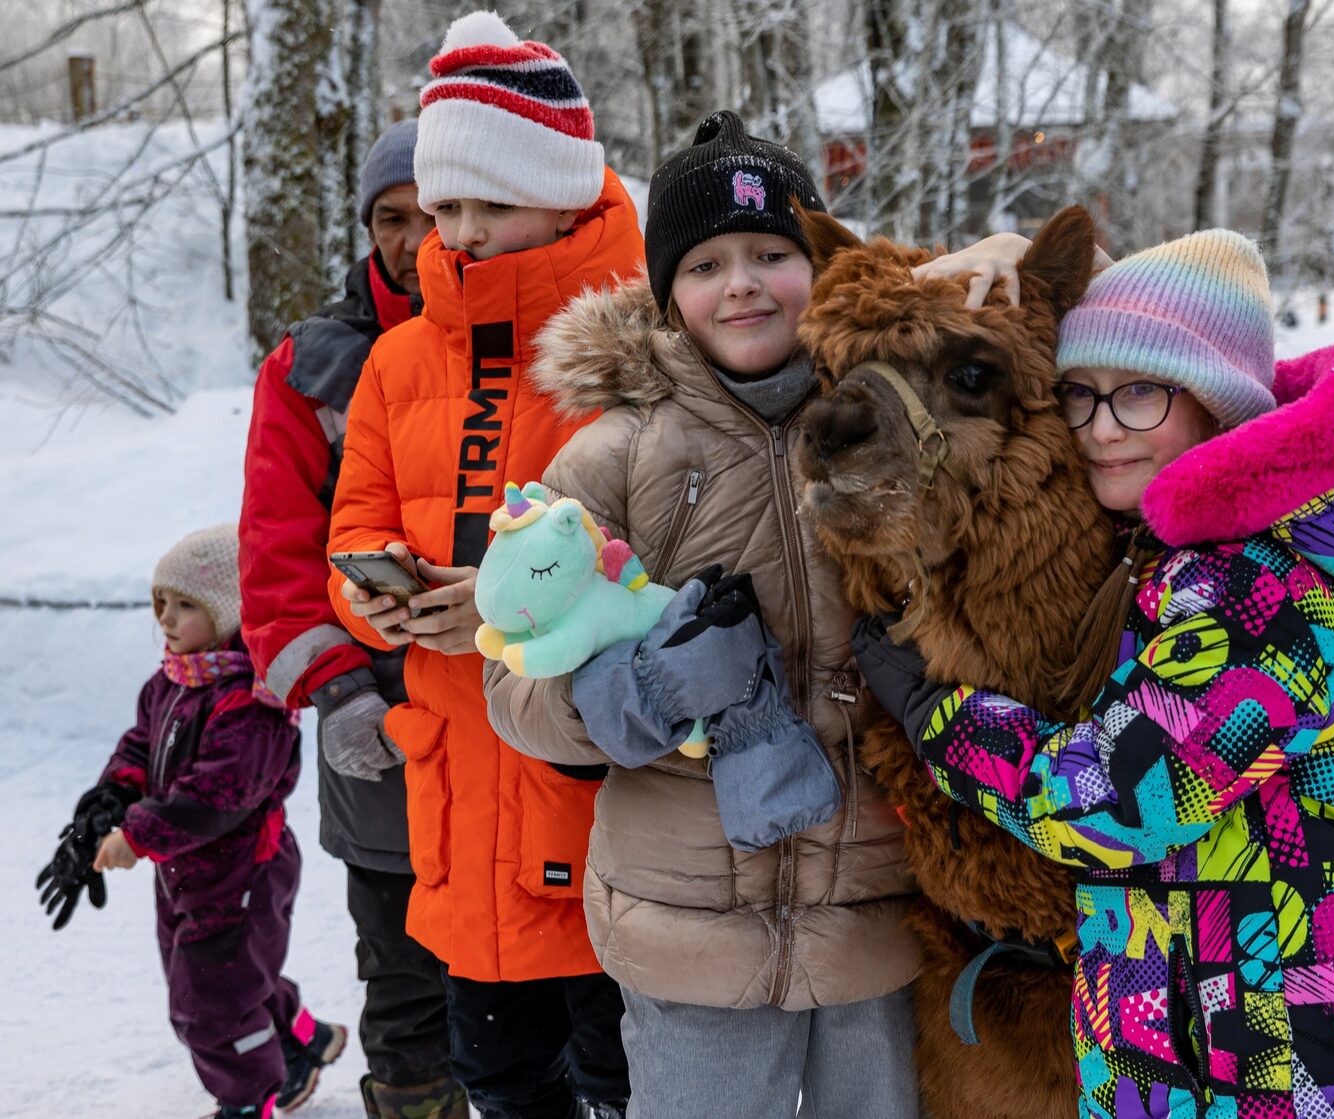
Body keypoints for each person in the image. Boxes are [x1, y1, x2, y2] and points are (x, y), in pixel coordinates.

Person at [853, 230, 1334, 1118]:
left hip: (1287, 1073)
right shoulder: (1182, 552)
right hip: (1190, 1054)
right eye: (1080, 396)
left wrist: (939, 714)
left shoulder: (1262, 589)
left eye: (1137, 395)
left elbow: (1114, 804)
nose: (1099, 430)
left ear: (1218, 401)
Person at [483, 110, 921, 1119]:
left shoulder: (890, 424)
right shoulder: (611, 457)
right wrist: (641, 688)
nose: (743, 285)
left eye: (774, 253)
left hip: (879, 911)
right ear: (667, 292)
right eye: (706, 263)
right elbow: (514, 682)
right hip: (684, 926)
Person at [327, 11, 643, 1119]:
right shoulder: (402, 358)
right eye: (445, 206)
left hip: (603, 801)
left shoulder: (638, 340)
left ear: (564, 189)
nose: (459, 232)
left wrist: (510, 619)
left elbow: (678, 555)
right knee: (498, 1079)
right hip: (458, 793)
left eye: (489, 205)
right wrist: (381, 606)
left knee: (622, 1081)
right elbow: (350, 525)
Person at [239, 118, 469, 1118]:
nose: (413, 238)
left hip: (508, 712)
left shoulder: (521, 340)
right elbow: (275, 560)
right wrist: (336, 698)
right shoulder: (307, 370)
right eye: (391, 217)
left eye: (436, 215)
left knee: (528, 975)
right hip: (376, 723)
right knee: (406, 971)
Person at [35, 525, 346, 1118]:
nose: (167, 620)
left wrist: (139, 835)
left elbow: (215, 794)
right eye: (161, 604)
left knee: (210, 1006)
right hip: (185, 873)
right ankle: (305, 1036)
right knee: (220, 980)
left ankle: (248, 1100)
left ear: (230, 612)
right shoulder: (173, 681)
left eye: (186, 606)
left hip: (244, 874)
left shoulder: (252, 700)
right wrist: (111, 797)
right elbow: (138, 745)